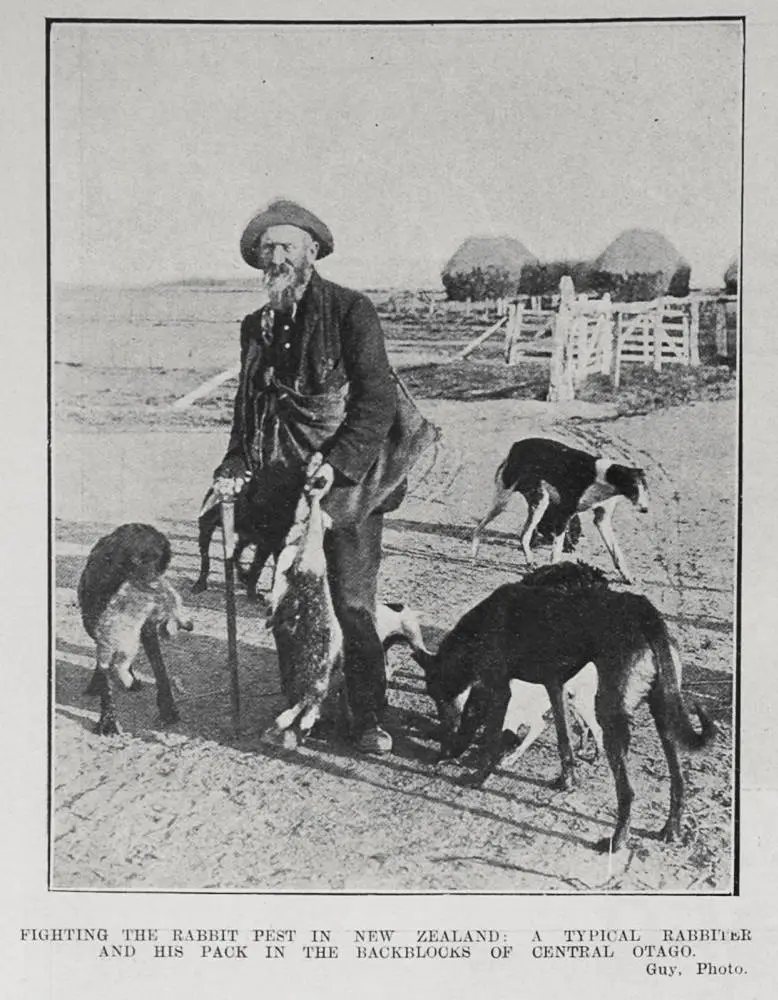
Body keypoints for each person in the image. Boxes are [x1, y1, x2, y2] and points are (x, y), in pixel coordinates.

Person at [213, 198, 435, 755]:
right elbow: (250, 407)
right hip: (282, 485)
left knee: (353, 605)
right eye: (268, 248)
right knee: (291, 603)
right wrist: (235, 460)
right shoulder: (255, 326)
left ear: (313, 251)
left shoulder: (350, 311)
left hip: (350, 487)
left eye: (288, 245)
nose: (277, 255)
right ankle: (301, 704)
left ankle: (366, 716)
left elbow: (377, 399)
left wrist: (336, 465)